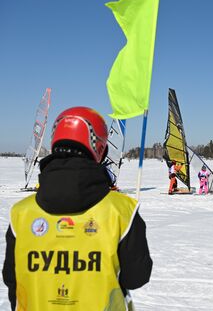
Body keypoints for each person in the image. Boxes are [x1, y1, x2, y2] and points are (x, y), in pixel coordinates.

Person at [2, 107, 152, 310]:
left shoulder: (21, 213)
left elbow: (12, 279)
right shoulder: (122, 211)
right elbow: (136, 277)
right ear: (99, 149)